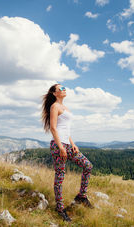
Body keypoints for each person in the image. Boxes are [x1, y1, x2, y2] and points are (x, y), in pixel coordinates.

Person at [41, 84, 93, 222]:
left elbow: (65, 129)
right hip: (59, 146)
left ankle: (81, 196)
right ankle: (60, 208)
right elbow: (53, 128)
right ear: (54, 93)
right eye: (61, 88)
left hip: (67, 144)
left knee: (88, 166)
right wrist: (61, 147)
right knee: (60, 176)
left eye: (64, 88)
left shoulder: (66, 108)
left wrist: (73, 144)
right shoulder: (54, 107)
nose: (64, 89)